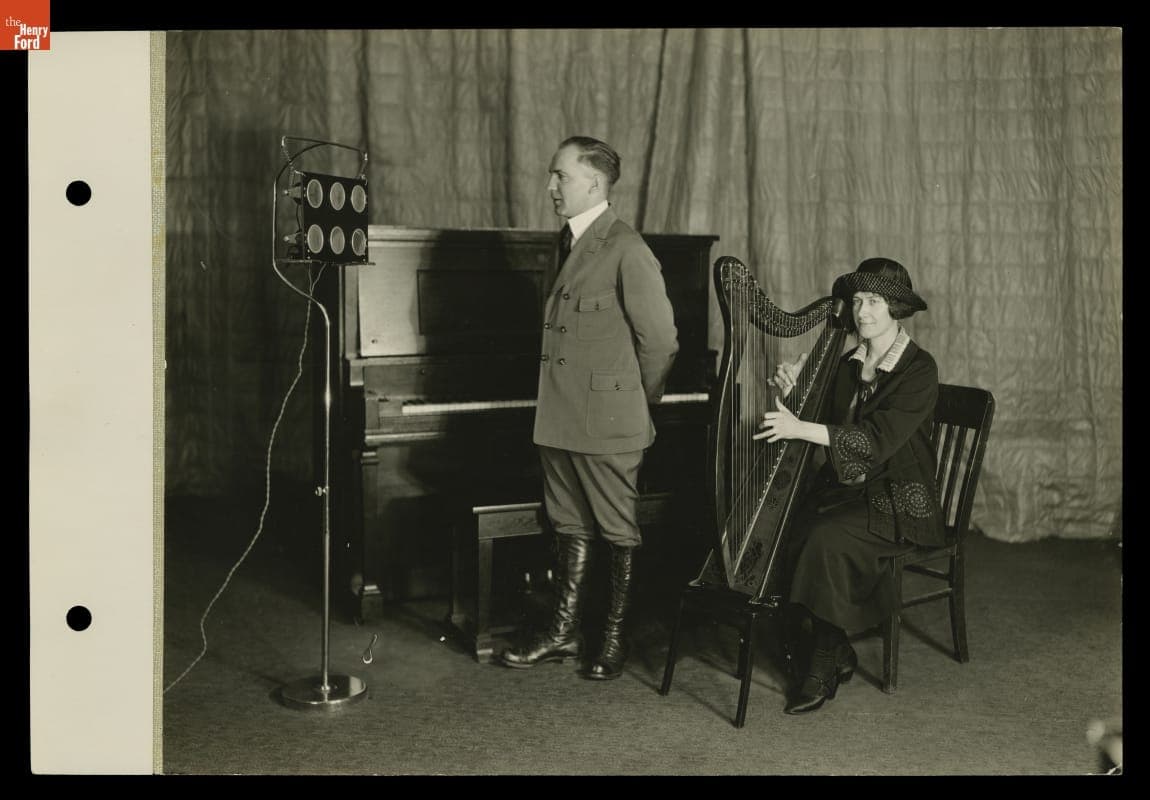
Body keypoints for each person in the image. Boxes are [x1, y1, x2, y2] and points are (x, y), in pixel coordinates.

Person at [498, 136, 679, 681]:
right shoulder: (572, 241)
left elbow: (662, 343)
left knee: (618, 530)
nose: (551, 187)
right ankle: (563, 632)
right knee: (568, 523)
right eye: (553, 177)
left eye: (561, 176)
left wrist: (632, 405)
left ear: (594, 183)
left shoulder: (627, 248)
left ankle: (614, 638)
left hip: (608, 424)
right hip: (558, 420)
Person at [755, 257, 943, 714]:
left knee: (827, 538)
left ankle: (823, 658)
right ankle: (832, 647)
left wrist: (800, 427)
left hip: (898, 494)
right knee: (787, 525)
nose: (862, 312)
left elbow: (875, 440)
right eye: (857, 301)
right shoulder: (847, 362)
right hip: (848, 486)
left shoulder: (919, 370)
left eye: (874, 301)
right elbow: (826, 422)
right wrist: (798, 389)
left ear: (895, 307)